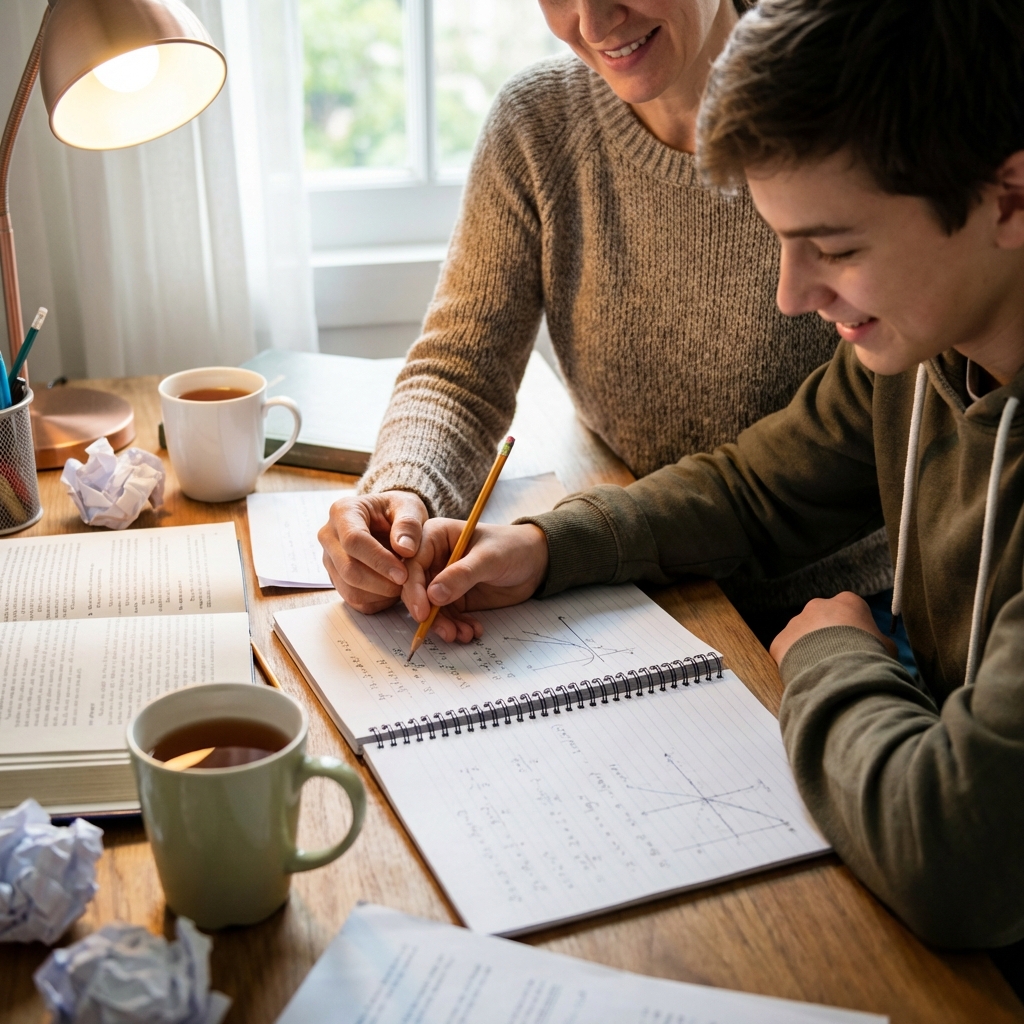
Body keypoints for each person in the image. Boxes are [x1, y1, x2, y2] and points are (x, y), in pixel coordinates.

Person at [391, 0, 1024, 951]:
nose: (793, 295)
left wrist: (833, 653)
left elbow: (955, 864)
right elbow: (753, 489)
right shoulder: (921, 351)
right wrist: (544, 546)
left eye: (836, 248)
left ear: (1009, 199)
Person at [318, 0, 894, 647]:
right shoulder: (540, 121)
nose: (592, 25)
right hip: (621, 570)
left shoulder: (843, 105)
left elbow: (785, 478)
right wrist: (402, 496)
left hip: (836, 607)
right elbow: (461, 369)